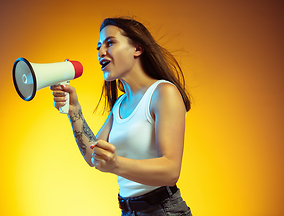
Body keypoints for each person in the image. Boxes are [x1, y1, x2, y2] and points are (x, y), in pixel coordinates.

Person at [50, 17, 192, 216]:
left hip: (163, 210)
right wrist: (74, 110)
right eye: (99, 47)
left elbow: (170, 171)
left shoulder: (163, 93)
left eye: (110, 43)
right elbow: (93, 156)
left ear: (137, 49)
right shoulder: (120, 105)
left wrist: (117, 163)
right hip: (128, 211)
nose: (101, 52)